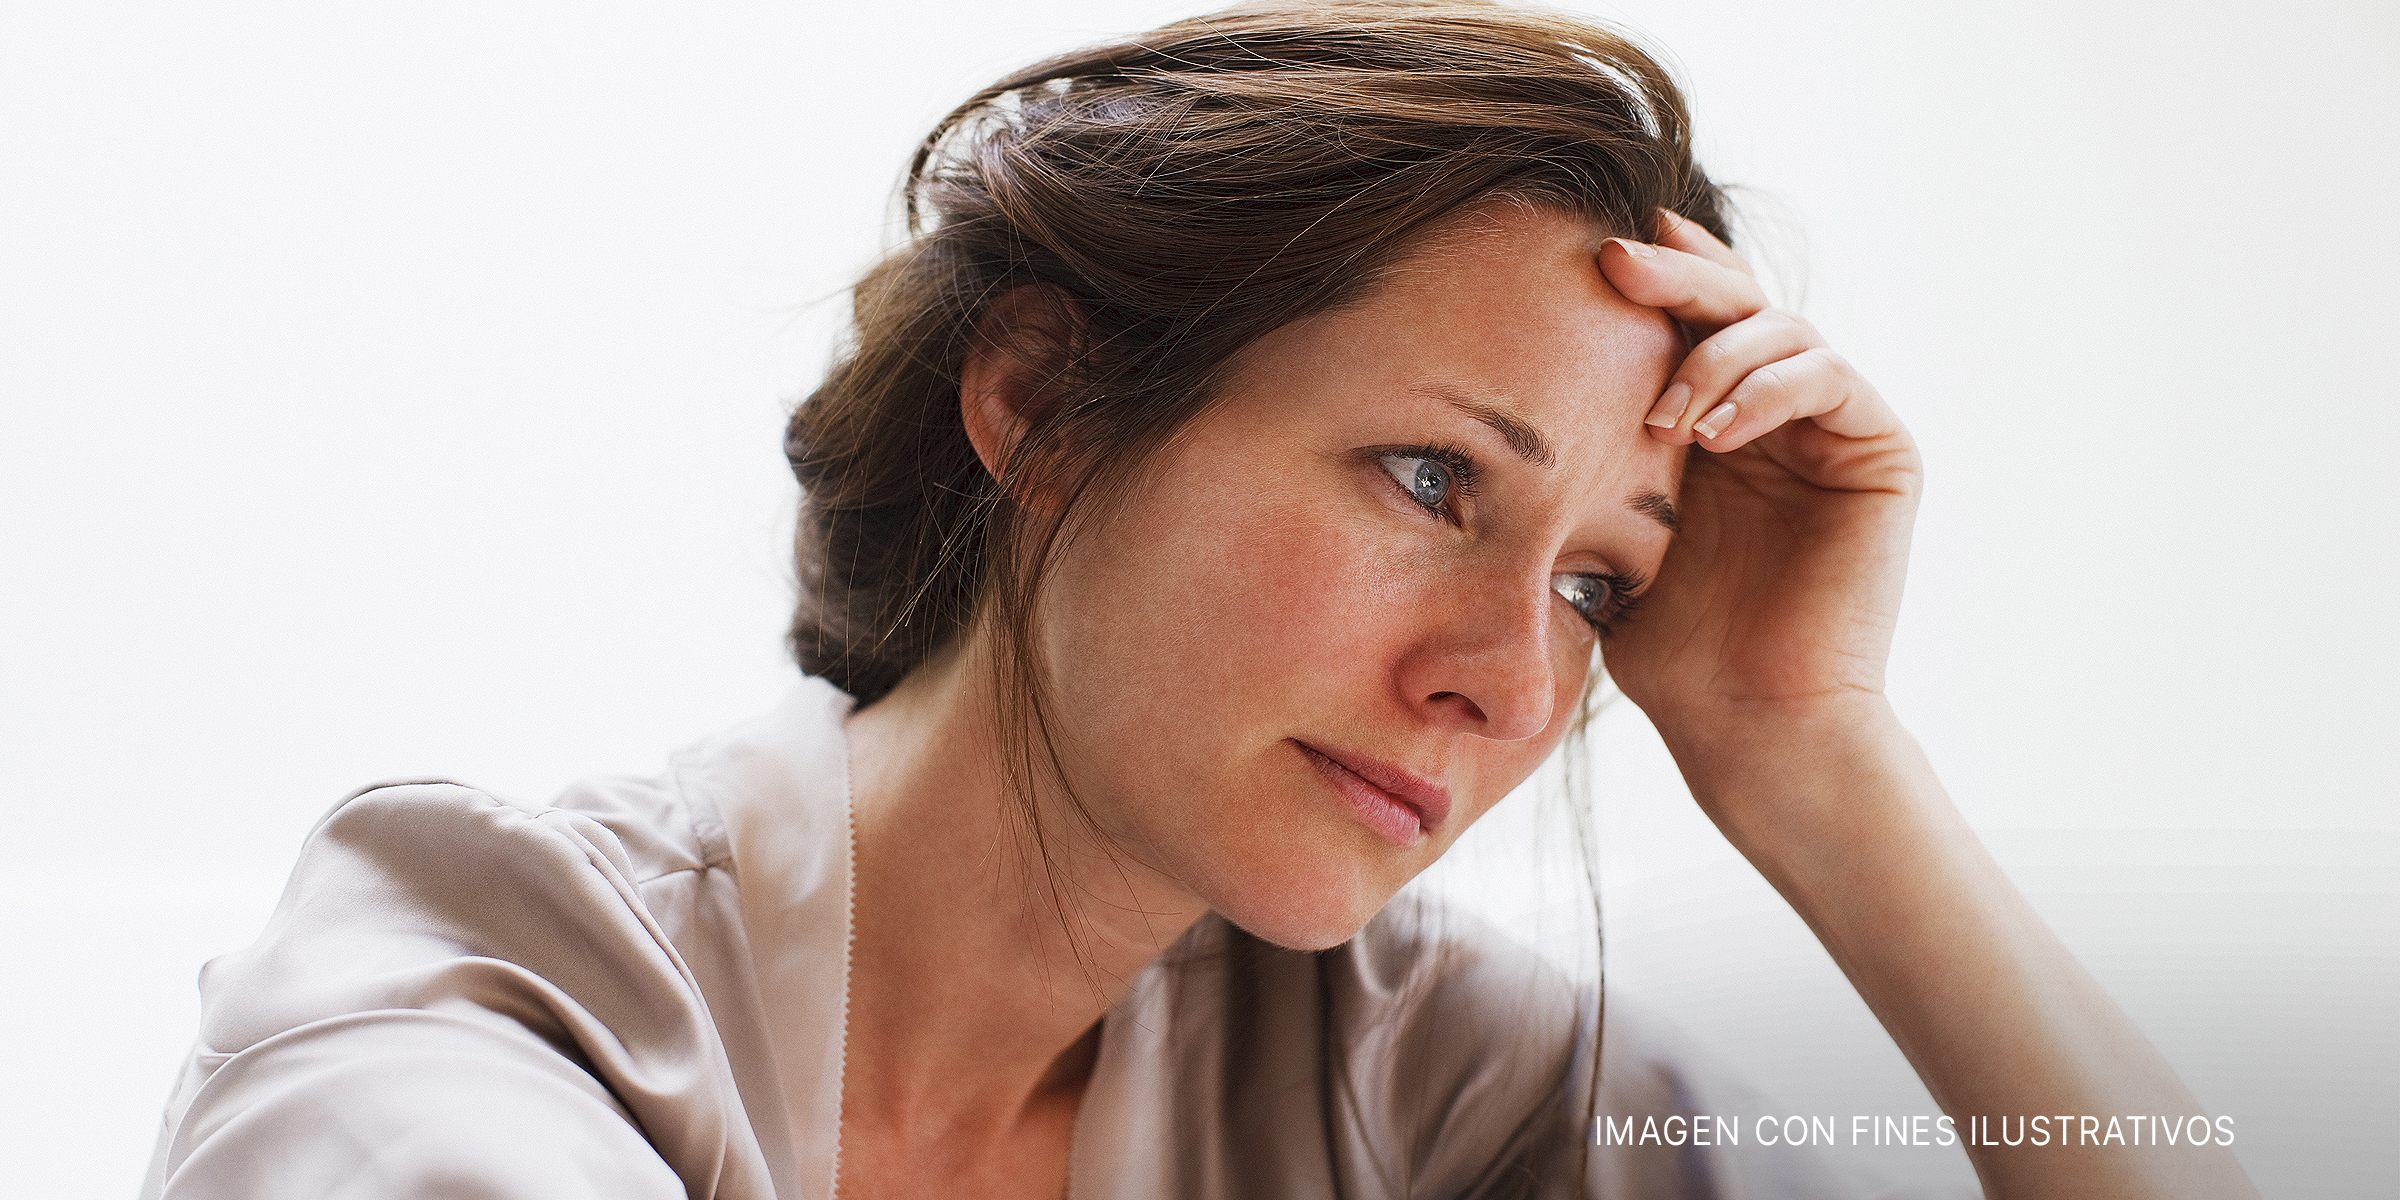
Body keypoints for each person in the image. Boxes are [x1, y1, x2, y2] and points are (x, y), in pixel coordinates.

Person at [140, 3, 2259, 1197]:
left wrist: (1815, 757)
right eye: (1434, 477)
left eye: (1605, 586)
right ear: (1044, 401)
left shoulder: (1448, 1090)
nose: (1507, 679)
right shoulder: (481, 993)